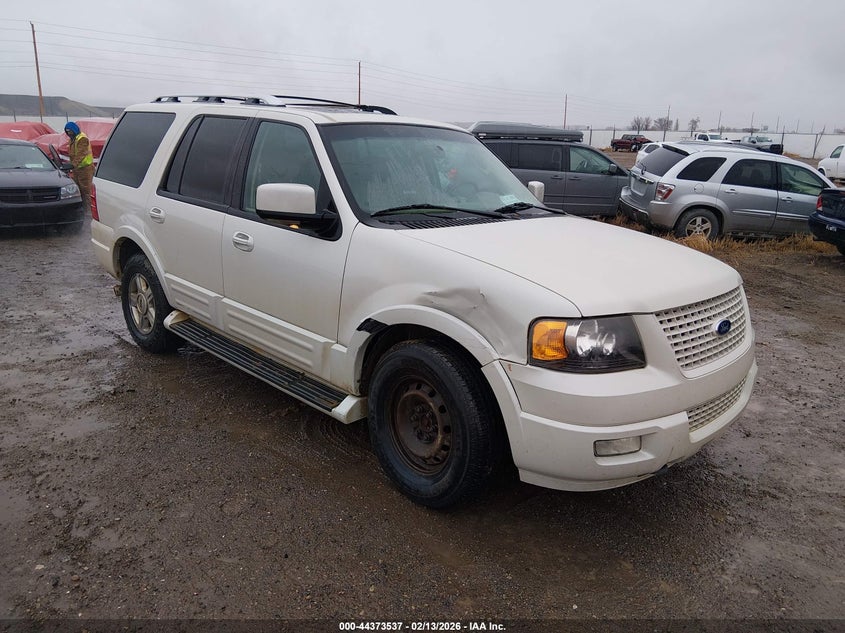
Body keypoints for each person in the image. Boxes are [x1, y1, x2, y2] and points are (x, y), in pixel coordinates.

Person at [64, 121, 94, 213]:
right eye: (67, 132)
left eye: (70, 131)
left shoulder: (82, 139)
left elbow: (81, 154)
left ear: (74, 130)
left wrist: (73, 164)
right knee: (78, 190)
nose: (69, 133)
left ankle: (88, 212)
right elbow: (73, 154)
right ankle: (81, 209)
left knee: (86, 191)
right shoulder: (72, 140)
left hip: (85, 169)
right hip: (77, 169)